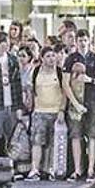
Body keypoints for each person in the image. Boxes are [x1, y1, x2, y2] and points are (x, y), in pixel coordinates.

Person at [63, 30, 95, 181]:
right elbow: (65, 84)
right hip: (76, 100)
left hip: (92, 99)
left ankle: (91, 169)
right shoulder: (71, 58)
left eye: (85, 40)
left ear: (89, 41)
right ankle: (77, 169)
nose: (82, 43)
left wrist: (90, 80)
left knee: (92, 135)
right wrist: (74, 103)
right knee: (76, 135)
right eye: (80, 40)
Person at [28, 47, 65, 180]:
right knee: (37, 142)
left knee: (52, 143)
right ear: (42, 58)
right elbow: (31, 90)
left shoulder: (60, 73)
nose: (51, 59)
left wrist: (61, 110)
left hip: (55, 112)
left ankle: (50, 169)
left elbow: (65, 93)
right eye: (48, 56)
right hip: (39, 111)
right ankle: (35, 169)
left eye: (53, 56)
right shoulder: (35, 71)